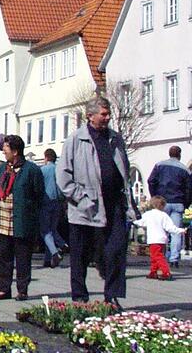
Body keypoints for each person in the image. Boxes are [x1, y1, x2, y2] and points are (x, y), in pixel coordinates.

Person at [57, 96, 134, 310]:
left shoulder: (115, 139)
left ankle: (112, 296)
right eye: (104, 114)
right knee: (80, 254)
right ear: (90, 116)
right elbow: (63, 176)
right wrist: (80, 197)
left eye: (108, 114)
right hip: (85, 206)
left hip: (113, 204)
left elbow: (123, 170)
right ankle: (80, 297)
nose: (108, 118)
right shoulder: (76, 140)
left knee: (116, 250)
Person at [0, 135, 43, 301]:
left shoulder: (32, 170)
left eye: (6, 148)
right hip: (3, 222)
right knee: (4, 259)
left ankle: (22, 290)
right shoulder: (3, 169)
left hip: (21, 223)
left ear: (15, 151)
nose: (3, 151)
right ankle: (4, 289)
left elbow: (39, 195)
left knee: (22, 259)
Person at [147, 145, 192, 269]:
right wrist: (186, 203)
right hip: (178, 202)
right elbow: (189, 189)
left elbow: (151, 181)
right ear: (179, 154)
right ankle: (174, 259)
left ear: (169, 153)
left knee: (161, 230)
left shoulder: (159, 165)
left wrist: (155, 196)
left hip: (162, 202)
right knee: (176, 231)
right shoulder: (185, 170)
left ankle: (162, 257)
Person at [133, 196, 187, 280]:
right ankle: (153, 271)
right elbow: (170, 227)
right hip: (162, 239)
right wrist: (181, 230)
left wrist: (134, 222)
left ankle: (166, 272)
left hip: (153, 240)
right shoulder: (164, 215)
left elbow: (142, 223)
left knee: (157, 257)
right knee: (157, 256)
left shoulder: (148, 214)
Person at [40, 149, 68, 268]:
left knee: (45, 231)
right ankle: (48, 259)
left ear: (46, 157)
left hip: (45, 202)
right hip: (58, 202)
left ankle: (57, 250)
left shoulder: (42, 170)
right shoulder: (59, 170)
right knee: (52, 229)